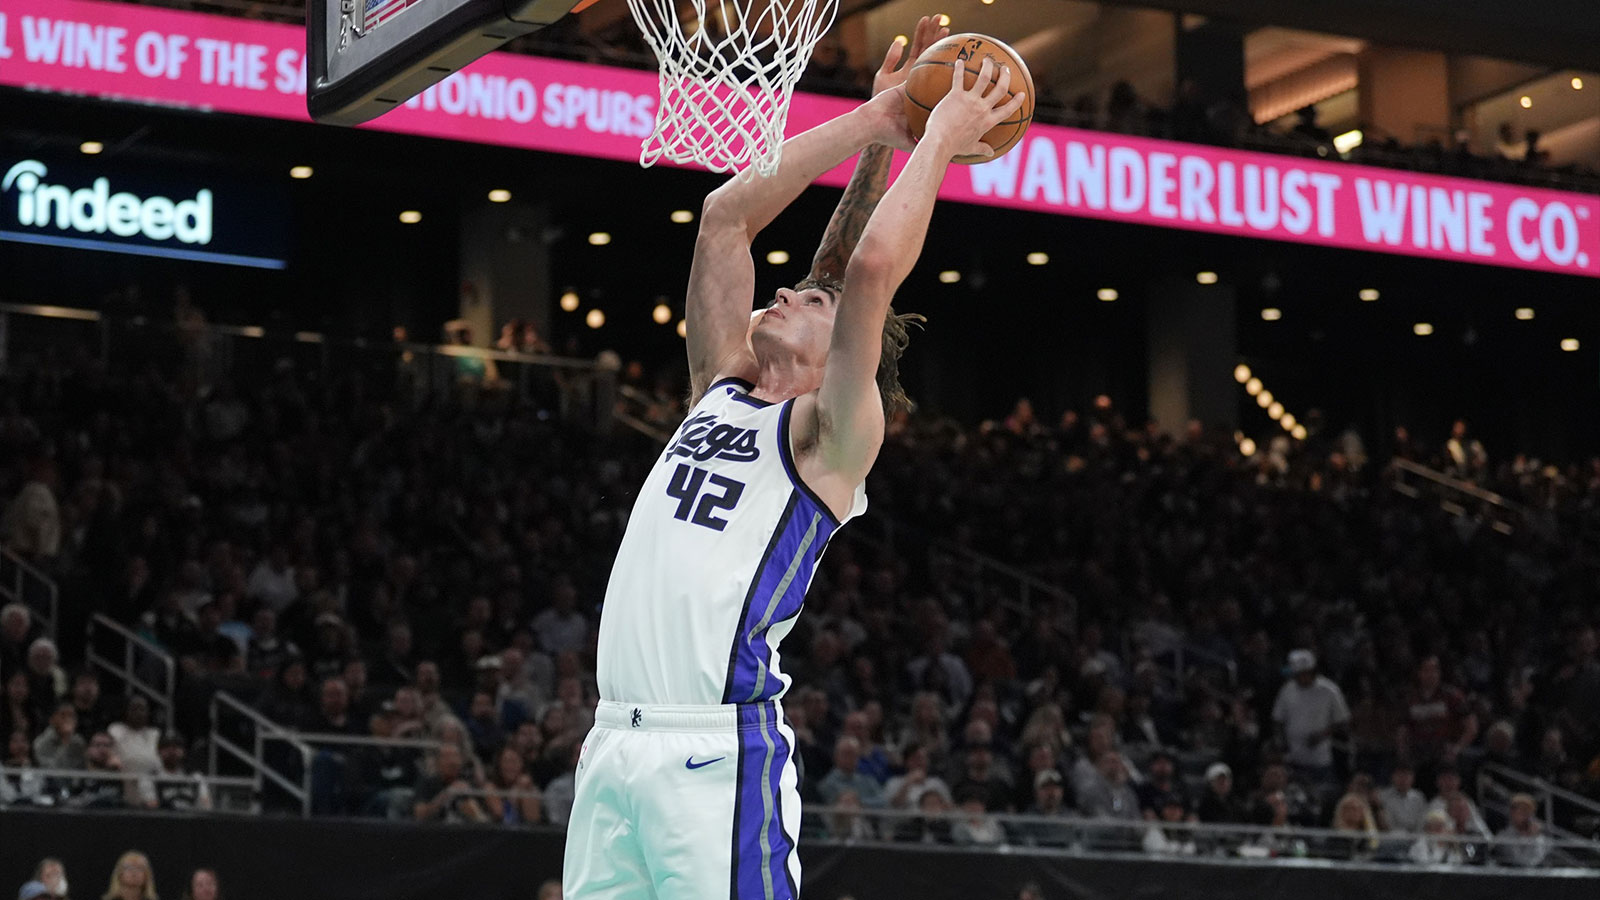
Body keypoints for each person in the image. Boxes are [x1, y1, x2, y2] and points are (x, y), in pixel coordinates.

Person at [562, 16, 1026, 900]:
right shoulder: (721, 385)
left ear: (842, 357)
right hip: (612, 746)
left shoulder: (829, 438)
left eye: (811, 300)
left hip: (715, 756)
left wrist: (940, 137)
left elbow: (871, 271)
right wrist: (876, 123)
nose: (785, 290)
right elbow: (723, 218)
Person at [1271, 649, 1349, 785]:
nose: (1300, 678)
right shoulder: (1287, 690)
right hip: (1294, 760)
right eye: (1297, 675)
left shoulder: (1329, 690)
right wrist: (1281, 744)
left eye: (1303, 674)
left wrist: (1322, 735)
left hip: (1320, 760)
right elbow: (1277, 719)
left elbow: (1343, 721)